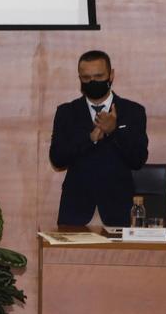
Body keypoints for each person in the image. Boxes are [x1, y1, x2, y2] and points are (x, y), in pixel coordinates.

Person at [48, 50, 148, 226]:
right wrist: (90, 139)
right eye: (86, 78)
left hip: (118, 210)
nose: (92, 82)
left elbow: (138, 159)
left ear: (111, 75)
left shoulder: (133, 111)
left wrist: (114, 131)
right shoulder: (66, 112)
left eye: (99, 76)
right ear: (79, 79)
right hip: (76, 210)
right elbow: (57, 159)